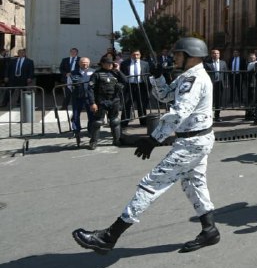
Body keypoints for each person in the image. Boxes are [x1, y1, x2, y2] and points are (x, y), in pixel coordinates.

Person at [72, 37, 220, 254]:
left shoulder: (195, 79)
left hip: (191, 142)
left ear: (192, 56)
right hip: (195, 140)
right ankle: (210, 231)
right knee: (194, 184)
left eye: (178, 54)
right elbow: (165, 96)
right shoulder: (188, 76)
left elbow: (179, 112)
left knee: (151, 184)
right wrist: (158, 77)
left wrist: (154, 138)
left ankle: (109, 236)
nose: (174, 57)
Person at [88, 56, 126, 148]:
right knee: (98, 122)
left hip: (114, 100)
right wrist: (92, 103)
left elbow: (125, 80)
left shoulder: (115, 73)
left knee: (115, 121)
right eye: (108, 63)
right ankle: (93, 142)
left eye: (111, 63)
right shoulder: (96, 74)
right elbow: (90, 89)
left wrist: (118, 70)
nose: (110, 65)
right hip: (101, 101)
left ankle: (117, 140)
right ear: (102, 64)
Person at [68, 57, 95, 147]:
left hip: (89, 98)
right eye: (83, 62)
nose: (84, 64)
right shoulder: (73, 73)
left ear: (89, 63)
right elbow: (69, 85)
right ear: (79, 63)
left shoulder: (94, 72)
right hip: (77, 98)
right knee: (76, 115)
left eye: (86, 63)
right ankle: (76, 132)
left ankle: (91, 131)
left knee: (91, 115)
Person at [120, 50, 151, 124]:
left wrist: (148, 86)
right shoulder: (125, 63)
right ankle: (124, 122)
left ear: (140, 55)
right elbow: (121, 74)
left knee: (141, 104)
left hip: (141, 86)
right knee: (127, 104)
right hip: (129, 86)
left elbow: (148, 75)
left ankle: (143, 122)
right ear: (131, 55)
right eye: (134, 55)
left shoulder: (145, 63)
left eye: (137, 54)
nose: (136, 56)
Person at [205, 49, 228, 120]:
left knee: (218, 100)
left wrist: (226, 83)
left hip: (219, 83)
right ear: (211, 55)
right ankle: (208, 116)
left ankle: (217, 116)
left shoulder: (223, 63)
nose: (216, 55)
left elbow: (226, 74)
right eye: (214, 53)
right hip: (210, 84)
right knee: (209, 100)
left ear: (219, 55)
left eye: (217, 53)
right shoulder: (207, 63)